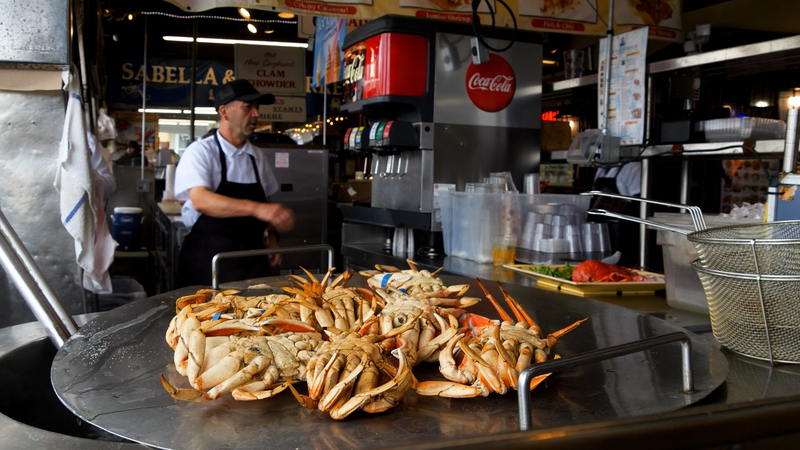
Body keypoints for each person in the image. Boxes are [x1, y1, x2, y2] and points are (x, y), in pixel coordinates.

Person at [174, 79, 295, 287]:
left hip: (252, 260)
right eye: (248, 107)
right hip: (209, 262)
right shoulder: (201, 151)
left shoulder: (256, 156)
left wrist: (271, 236)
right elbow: (201, 200)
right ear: (224, 112)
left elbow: (265, 199)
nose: (256, 114)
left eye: (257, 108)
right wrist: (257, 209)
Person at [592, 161, 642, 268]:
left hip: (625, 232)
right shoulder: (601, 168)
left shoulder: (633, 167)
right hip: (604, 231)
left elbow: (640, 204)